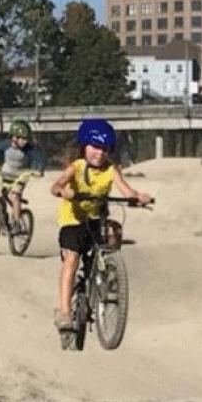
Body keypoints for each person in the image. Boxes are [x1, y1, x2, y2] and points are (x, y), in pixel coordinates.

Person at [49, 118, 152, 331]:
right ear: (84, 146)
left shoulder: (111, 169)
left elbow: (125, 190)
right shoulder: (76, 167)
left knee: (114, 233)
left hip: (96, 220)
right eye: (95, 147)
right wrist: (63, 191)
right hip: (73, 220)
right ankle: (64, 311)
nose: (100, 153)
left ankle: (108, 277)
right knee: (72, 259)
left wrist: (137, 197)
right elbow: (57, 185)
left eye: (105, 149)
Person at [0, 119, 46, 230]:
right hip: (5, 174)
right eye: (22, 138)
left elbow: (40, 159)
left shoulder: (29, 149)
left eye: (26, 139)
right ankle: (1, 217)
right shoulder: (5, 145)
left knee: (15, 196)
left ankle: (17, 222)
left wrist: (39, 170)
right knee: (1, 195)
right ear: (14, 137)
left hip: (20, 177)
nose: (24, 141)